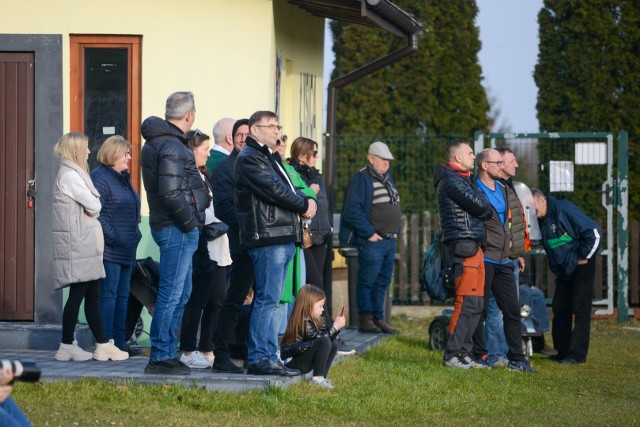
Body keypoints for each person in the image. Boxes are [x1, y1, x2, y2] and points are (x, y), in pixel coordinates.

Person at [234, 110, 317, 376]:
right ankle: (260, 358)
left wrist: (305, 201)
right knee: (267, 300)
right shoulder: (250, 158)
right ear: (253, 130)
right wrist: (305, 204)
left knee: (274, 301)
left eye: (276, 125)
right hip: (267, 237)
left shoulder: (269, 156)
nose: (275, 130)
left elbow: (290, 187)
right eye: (269, 126)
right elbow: (274, 190)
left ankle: (271, 356)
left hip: (280, 234)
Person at [140, 92, 208, 375]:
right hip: (176, 228)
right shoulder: (172, 145)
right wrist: (191, 223)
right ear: (189, 115)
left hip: (173, 227)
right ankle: (161, 354)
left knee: (181, 291)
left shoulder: (164, 142)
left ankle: (167, 351)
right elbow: (170, 192)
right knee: (172, 292)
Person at [52, 132, 129, 362]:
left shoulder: (75, 174)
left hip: (84, 244)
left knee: (91, 294)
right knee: (79, 295)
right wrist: (94, 204)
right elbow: (95, 205)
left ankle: (102, 344)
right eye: (85, 148)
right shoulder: (70, 176)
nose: (88, 152)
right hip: (79, 245)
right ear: (75, 150)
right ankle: (67, 344)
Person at [484, 147, 555, 365]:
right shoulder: (494, 190)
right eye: (511, 161)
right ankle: (496, 354)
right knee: (496, 309)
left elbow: (516, 225)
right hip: (498, 257)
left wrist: (520, 252)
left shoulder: (510, 188)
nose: (516, 165)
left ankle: (510, 354)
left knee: (511, 310)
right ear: (500, 164)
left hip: (512, 256)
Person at [472, 148, 537, 373]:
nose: (502, 166)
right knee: (479, 310)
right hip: (484, 258)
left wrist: (515, 249)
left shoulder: (503, 188)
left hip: (504, 260)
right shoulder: (473, 189)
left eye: (503, 162)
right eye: (497, 163)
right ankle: (481, 356)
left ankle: (517, 359)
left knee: (511, 310)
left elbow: (510, 222)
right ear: (484, 165)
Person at [433, 141, 492, 369]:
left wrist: (483, 207)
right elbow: (481, 205)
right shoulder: (450, 181)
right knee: (465, 301)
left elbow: (482, 206)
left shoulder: (464, 179)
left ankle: (464, 353)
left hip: (475, 244)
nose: (473, 156)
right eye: (469, 153)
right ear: (457, 158)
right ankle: (452, 355)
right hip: (463, 245)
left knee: (476, 303)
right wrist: (483, 207)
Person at [179, 130, 232, 369]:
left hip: (218, 245)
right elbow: (201, 212)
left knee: (217, 300)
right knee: (197, 300)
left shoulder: (204, 175)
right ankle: (188, 349)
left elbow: (212, 208)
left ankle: (208, 349)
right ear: (192, 151)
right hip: (203, 246)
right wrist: (216, 216)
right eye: (204, 150)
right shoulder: (187, 177)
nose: (209, 154)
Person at [531, 189, 601, 364]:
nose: (531, 212)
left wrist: (583, 257)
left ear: (541, 200)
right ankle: (562, 351)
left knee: (580, 309)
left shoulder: (564, 210)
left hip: (581, 266)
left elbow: (594, 233)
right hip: (564, 269)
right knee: (560, 308)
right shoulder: (540, 220)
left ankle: (577, 355)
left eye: (532, 207)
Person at [339, 141, 401, 334]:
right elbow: (352, 211)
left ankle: (378, 318)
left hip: (389, 240)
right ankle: (365, 320)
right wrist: (369, 233)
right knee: (368, 281)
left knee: (383, 281)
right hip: (373, 241)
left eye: (388, 160)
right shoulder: (361, 179)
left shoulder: (388, 180)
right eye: (383, 160)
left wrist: (396, 228)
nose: (386, 164)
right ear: (371, 159)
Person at [90, 136, 142, 356]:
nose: (129, 158)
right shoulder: (100, 177)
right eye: (126, 154)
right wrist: (115, 237)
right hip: (111, 249)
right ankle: (106, 341)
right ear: (113, 154)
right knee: (109, 295)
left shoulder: (122, 178)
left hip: (127, 248)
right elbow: (97, 214)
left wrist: (135, 235)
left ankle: (120, 342)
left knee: (122, 296)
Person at [210, 118, 252, 374]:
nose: (242, 138)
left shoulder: (261, 162)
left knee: (263, 301)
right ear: (232, 137)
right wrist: (251, 221)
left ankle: (252, 351)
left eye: (247, 134)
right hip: (241, 243)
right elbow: (223, 208)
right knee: (235, 299)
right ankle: (222, 353)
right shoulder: (227, 168)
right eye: (239, 134)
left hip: (265, 243)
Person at [280, 285, 346, 389]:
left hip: (303, 357)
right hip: (293, 363)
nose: (323, 309)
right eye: (320, 306)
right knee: (325, 341)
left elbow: (326, 340)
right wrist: (334, 327)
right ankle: (318, 378)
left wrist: (335, 329)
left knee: (333, 344)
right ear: (308, 305)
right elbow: (319, 340)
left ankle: (322, 377)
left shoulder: (317, 320)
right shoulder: (303, 321)